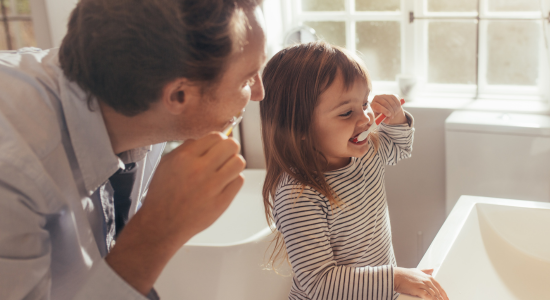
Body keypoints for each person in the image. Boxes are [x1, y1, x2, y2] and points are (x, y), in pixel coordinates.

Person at [0, 0, 266, 298]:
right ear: (179, 94)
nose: (259, 92)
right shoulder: (13, 170)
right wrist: (157, 231)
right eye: (247, 78)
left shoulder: (144, 106)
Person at [259, 42, 449, 300]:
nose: (366, 119)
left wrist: (397, 118)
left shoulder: (365, 152)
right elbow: (319, 283)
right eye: (347, 112)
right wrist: (396, 278)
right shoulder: (299, 195)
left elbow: (399, 147)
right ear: (299, 128)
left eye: (365, 103)